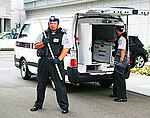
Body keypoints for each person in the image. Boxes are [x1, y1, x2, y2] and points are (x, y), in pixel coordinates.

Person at [30, 15, 71, 114]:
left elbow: (66, 48)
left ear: (58, 24)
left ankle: (64, 106)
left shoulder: (62, 35)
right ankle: (38, 104)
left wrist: (59, 59)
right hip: (44, 62)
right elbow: (35, 46)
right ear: (48, 24)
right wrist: (43, 43)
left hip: (55, 62)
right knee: (41, 84)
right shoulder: (43, 34)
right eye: (51, 23)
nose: (52, 25)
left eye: (54, 23)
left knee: (59, 85)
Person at [110, 24, 128, 102]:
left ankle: (122, 97)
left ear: (117, 30)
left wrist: (120, 60)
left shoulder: (122, 39)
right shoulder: (120, 38)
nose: (115, 30)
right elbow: (115, 40)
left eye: (115, 29)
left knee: (120, 78)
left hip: (121, 60)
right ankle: (116, 93)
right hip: (120, 60)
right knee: (116, 76)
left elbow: (122, 50)